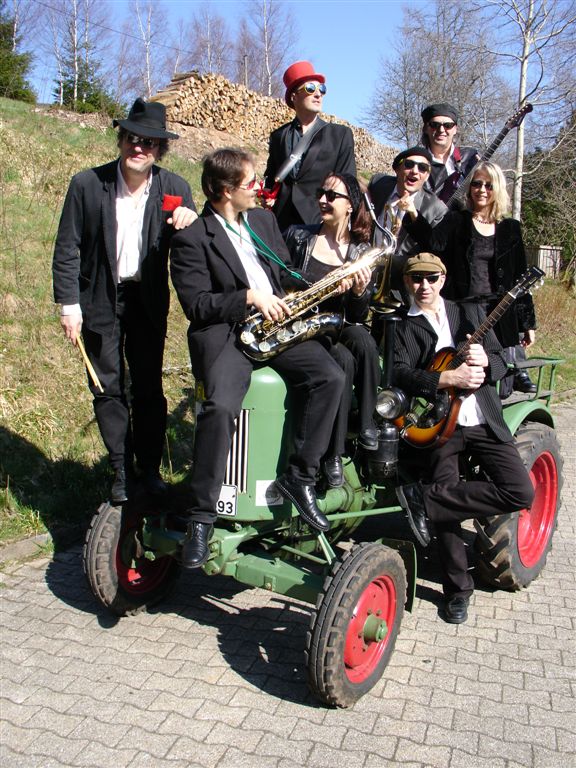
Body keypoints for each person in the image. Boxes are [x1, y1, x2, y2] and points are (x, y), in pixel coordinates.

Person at [170, 148, 346, 569]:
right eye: (251, 183)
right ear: (225, 191)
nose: (259, 189)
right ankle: (200, 517)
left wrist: (333, 281)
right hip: (227, 333)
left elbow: (284, 275)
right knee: (220, 407)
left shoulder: (264, 221)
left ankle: (299, 478)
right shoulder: (192, 238)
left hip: (275, 327)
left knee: (331, 377)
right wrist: (248, 297)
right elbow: (198, 305)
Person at [52, 98, 197, 504]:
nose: (139, 147)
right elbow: (67, 248)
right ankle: (121, 470)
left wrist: (191, 223)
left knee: (148, 388)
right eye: (133, 138)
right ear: (121, 140)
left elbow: (196, 248)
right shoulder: (87, 184)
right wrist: (69, 305)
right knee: (107, 388)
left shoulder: (175, 188)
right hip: (99, 298)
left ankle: (149, 470)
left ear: (159, 149)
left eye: (149, 142)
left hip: (147, 301)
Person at [393, 253, 534, 624]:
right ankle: (458, 592)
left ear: (443, 279)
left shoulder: (466, 313)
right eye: (416, 279)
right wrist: (445, 379)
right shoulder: (402, 325)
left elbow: (502, 363)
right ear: (407, 282)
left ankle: (425, 498)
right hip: (441, 424)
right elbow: (399, 373)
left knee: (521, 492)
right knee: (447, 511)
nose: (424, 286)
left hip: (484, 420)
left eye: (432, 278)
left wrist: (486, 362)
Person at [403, 161, 537, 394]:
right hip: (463, 308)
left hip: (498, 311)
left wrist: (528, 325)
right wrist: (413, 213)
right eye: (476, 184)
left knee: (496, 372)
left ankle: (501, 394)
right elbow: (433, 244)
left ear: (497, 188)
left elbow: (520, 278)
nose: (481, 190)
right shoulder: (457, 220)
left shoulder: (510, 228)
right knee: (463, 367)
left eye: (488, 185)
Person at [283, 173, 380, 487]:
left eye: (332, 195)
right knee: (344, 361)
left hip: (339, 324)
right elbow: (280, 276)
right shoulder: (299, 235)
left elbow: (358, 315)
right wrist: (310, 286)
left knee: (363, 342)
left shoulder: (360, 252)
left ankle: (365, 424)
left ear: (351, 205)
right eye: (321, 193)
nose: (323, 200)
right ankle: (333, 455)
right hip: (304, 324)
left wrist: (359, 292)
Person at [262, 60, 356, 232]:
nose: (318, 94)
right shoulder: (279, 136)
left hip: (321, 224)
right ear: (294, 96)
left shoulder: (340, 135)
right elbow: (271, 177)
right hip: (283, 226)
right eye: (310, 88)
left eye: (322, 89)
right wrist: (268, 196)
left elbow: (348, 184)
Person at [368, 146, 447, 294]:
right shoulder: (378, 184)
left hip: (403, 285)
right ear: (397, 169)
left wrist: (413, 214)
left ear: (427, 176)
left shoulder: (436, 209)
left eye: (422, 168)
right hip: (366, 273)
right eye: (409, 164)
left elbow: (433, 249)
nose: (415, 171)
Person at [420, 103, 479, 206]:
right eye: (434, 125)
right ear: (425, 128)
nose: (441, 130)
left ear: (455, 129)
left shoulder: (469, 157)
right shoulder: (416, 162)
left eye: (448, 125)